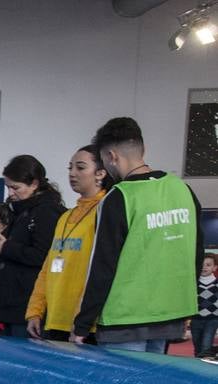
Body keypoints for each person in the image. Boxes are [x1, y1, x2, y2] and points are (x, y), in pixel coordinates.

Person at [74, 117, 205, 353]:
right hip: (170, 314)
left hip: (125, 317)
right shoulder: (182, 189)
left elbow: (103, 265)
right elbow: (196, 252)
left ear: (112, 156)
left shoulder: (119, 198)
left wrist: (83, 323)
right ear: (142, 149)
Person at [26, 146, 112, 342]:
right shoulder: (65, 217)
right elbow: (47, 268)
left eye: (80, 168)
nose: (72, 174)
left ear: (100, 173)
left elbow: (101, 270)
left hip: (86, 325)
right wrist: (35, 311)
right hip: (55, 320)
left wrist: (84, 319)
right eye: (70, 168)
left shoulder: (105, 213)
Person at [0, 155, 65, 338]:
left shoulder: (46, 212)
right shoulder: (22, 212)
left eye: (16, 187)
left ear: (35, 184)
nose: (11, 193)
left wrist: (5, 248)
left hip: (28, 303)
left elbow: (43, 255)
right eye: (8, 187)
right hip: (13, 302)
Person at [196, 254, 217, 359]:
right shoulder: (194, 283)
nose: (204, 267)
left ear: (214, 268)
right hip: (196, 319)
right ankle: (196, 367)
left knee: (206, 345)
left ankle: (204, 368)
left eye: (208, 265)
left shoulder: (216, 284)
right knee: (197, 345)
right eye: (202, 264)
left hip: (212, 320)